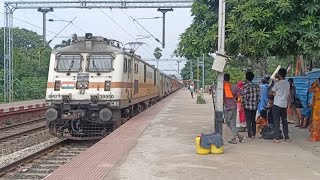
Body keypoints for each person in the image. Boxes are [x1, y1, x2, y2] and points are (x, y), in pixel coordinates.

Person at [271, 68, 290, 143]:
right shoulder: (287, 83)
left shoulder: (277, 83)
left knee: (276, 121)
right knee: (284, 121)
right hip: (284, 104)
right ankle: (287, 137)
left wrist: (273, 93)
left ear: (279, 74)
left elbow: (271, 92)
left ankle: (277, 138)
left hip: (277, 104)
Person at [223, 73, 244, 144]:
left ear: (223, 79)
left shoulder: (223, 87)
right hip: (234, 107)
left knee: (228, 123)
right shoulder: (233, 86)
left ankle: (237, 137)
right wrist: (237, 97)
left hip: (228, 108)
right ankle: (237, 137)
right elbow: (242, 92)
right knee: (233, 123)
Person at [242, 71, 260, 140]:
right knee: (253, 120)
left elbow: (244, 97)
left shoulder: (245, 87)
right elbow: (259, 97)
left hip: (247, 106)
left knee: (248, 120)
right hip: (254, 106)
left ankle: (250, 135)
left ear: (246, 78)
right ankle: (254, 134)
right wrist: (256, 103)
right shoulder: (257, 86)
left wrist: (243, 103)